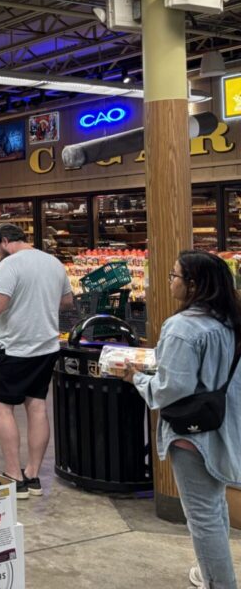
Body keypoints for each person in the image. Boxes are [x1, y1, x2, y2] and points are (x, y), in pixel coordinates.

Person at [123, 251, 240, 589]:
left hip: (193, 435)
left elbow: (172, 387)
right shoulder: (230, 321)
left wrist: (136, 378)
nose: (170, 281)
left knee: (202, 517)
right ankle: (212, 573)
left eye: (174, 275)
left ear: (192, 285)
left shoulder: (182, 327)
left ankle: (220, 582)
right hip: (226, 426)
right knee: (214, 506)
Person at [0, 223, 73, 498]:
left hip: (16, 347)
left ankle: (14, 476)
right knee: (36, 406)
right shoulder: (53, 262)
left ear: (4, 242)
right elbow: (67, 301)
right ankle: (34, 475)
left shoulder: (11, 264)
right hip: (47, 346)